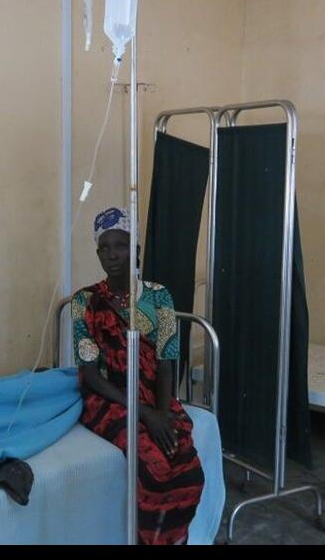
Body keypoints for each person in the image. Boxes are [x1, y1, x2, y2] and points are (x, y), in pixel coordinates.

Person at [72, 206, 204, 545]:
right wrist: (144, 413)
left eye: (121, 245)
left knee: (188, 468)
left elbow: (165, 362)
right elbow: (90, 373)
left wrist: (162, 411)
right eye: (104, 248)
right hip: (107, 397)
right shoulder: (84, 301)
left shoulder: (159, 296)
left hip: (151, 393)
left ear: (136, 250)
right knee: (153, 468)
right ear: (98, 254)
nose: (112, 254)